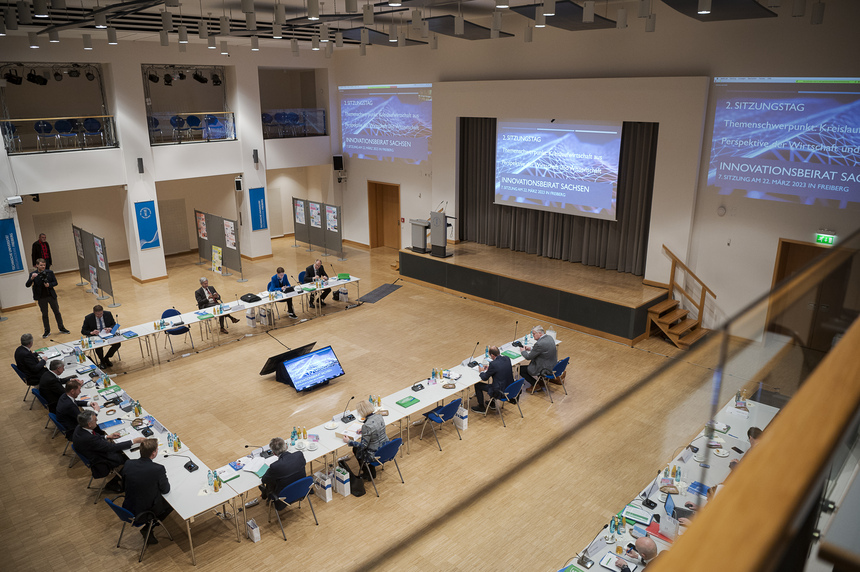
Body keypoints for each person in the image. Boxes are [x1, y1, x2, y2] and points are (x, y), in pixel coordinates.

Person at [72, 410, 144, 491]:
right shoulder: (88, 438)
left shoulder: (80, 427)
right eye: (95, 420)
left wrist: (108, 437)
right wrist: (133, 441)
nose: (97, 421)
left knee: (123, 449)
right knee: (130, 459)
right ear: (89, 424)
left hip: (94, 452)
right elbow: (110, 447)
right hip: (101, 460)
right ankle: (114, 482)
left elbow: (96, 439)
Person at [122, 438, 172, 544]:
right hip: (143, 511)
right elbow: (166, 490)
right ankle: (149, 527)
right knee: (170, 504)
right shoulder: (158, 469)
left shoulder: (128, 463)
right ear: (154, 453)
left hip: (128, 504)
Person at [340, 400, 388, 480]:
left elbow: (363, 445)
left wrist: (348, 441)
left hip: (375, 453)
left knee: (356, 449)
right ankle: (369, 471)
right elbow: (376, 428)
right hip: (386, 447)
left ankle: (368, 474)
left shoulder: (367, 426)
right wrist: (364, 429)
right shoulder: (379, 416)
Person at [258, 437, 307, 510]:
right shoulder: (299, 455)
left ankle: (265, 494)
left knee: (271, 480)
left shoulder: (275, 466)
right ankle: (265, 493)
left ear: (274, 453)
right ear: (286, 446)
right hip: (302, 491)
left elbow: (264, 480)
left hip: (284, 497)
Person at [26, 258, 69, 338]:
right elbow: (27, 285)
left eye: (44, 265)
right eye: (41, 265)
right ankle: (47, 330)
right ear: (37, 265)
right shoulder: (33, 274)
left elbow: (55, 282)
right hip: (41, 297)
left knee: (57, 312)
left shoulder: (50, 272)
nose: (43, 267)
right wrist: (32, 278)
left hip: (51, 296)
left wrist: (50, 285)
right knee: (44, 314)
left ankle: (61, 328)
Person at [473, 346, 514, 413]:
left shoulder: (493, 364)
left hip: (500, 391)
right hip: (509, 388)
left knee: (478, 385)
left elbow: (484, 378)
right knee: (496, 382)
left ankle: (481, 407)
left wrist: (481, 371)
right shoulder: (507, 358)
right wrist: (490, 368)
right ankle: (492, 403)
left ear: (492, 355)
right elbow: (501, 368)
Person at [81, 304, 122, 369]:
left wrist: (110, 328)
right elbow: (83, 331)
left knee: (117, 344)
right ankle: (102, 361)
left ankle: (106, 358)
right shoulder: (88, 318)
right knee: (99, 347)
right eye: (98, 314)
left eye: (101, 314)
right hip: (96, 336)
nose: (100, 316)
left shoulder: (108, 314)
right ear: (94, 312)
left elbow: (113, 324)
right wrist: (91, 332)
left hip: (107, 334)